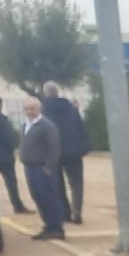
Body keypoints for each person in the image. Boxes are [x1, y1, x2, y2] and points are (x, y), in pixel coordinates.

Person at [41, 82, 89, 225]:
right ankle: (77, 212)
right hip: (73, 151)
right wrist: (83, 147)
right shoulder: (71, 108)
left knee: (58, 184)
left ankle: (65, 213)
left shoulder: (43, 111)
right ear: (58, 92)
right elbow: (81, 129)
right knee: (76, 183)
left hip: (53, 152)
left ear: (45, 93)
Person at [19, 97, 66, 240]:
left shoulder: (46, 125)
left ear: (39, 109)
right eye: (27, 109)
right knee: (38, 197)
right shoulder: (25, 125)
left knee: (49, 197)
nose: (29, 112)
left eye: (32, 109)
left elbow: (54, 147)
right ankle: (48, 225)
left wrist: (48, 167)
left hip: (42, 168)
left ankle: (57, 228)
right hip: (30, 167)